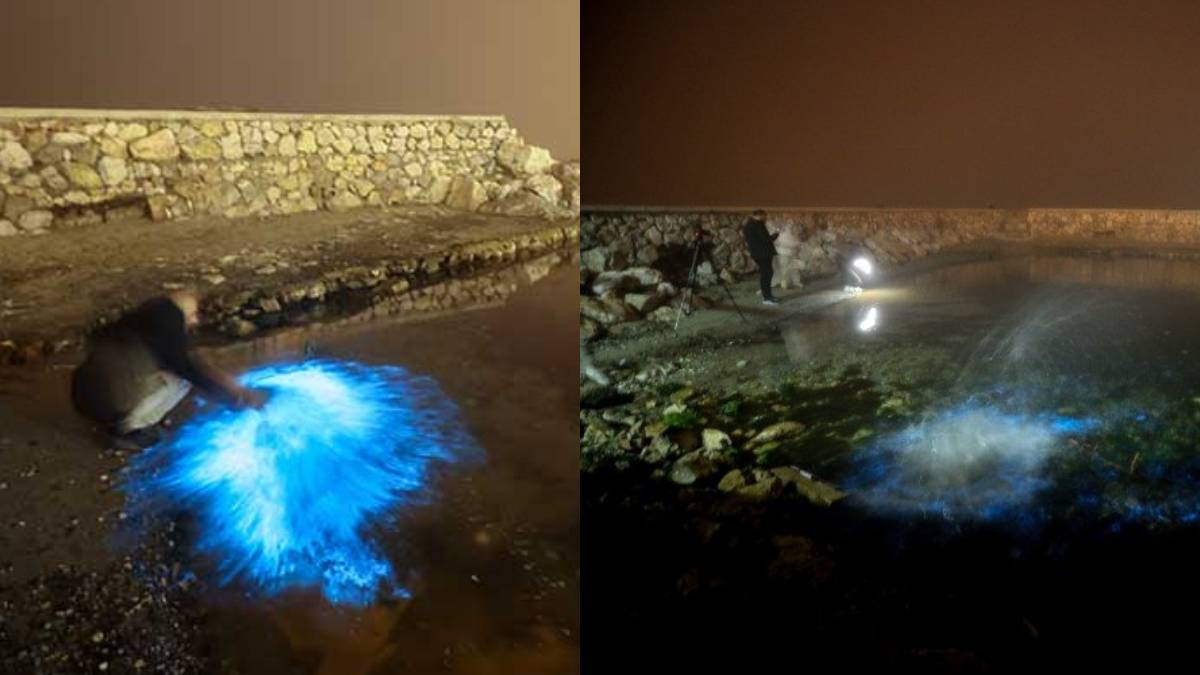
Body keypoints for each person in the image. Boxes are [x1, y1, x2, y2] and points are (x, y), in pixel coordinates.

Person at [71, 290, 267, 447]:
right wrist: (234, 395)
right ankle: (128, 429)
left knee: (167, 374)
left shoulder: (139, 319)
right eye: (193, 315)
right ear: (181, 311)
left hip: (83, 397)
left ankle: (123, 417)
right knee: (180, 381)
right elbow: (188, 370)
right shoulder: (170, 320)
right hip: (108, 401)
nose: (195, 321)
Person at [741, 209, 779, 305]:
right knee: (767, 274)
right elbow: (766, 239)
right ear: (760, 215)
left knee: (766, 273)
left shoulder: (748, 224)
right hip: (763, 253)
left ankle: (766, 294)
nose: (766, 218)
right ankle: (767, 298)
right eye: (765, 216)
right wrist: (776, 234)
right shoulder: (758, 224)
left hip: (757, 253)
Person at [773, 220, 803, 290]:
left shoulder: (794, 234)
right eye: (789, 225)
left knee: (795, 268)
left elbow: (797, 243)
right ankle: (784, 283)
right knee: (784, 269)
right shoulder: (780, 234)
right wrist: (793, 245)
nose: (791, 227)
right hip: (783, 254)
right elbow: (777, 243)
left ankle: (796, 282)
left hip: (793, 253)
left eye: (792, 225)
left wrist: (798, 245)